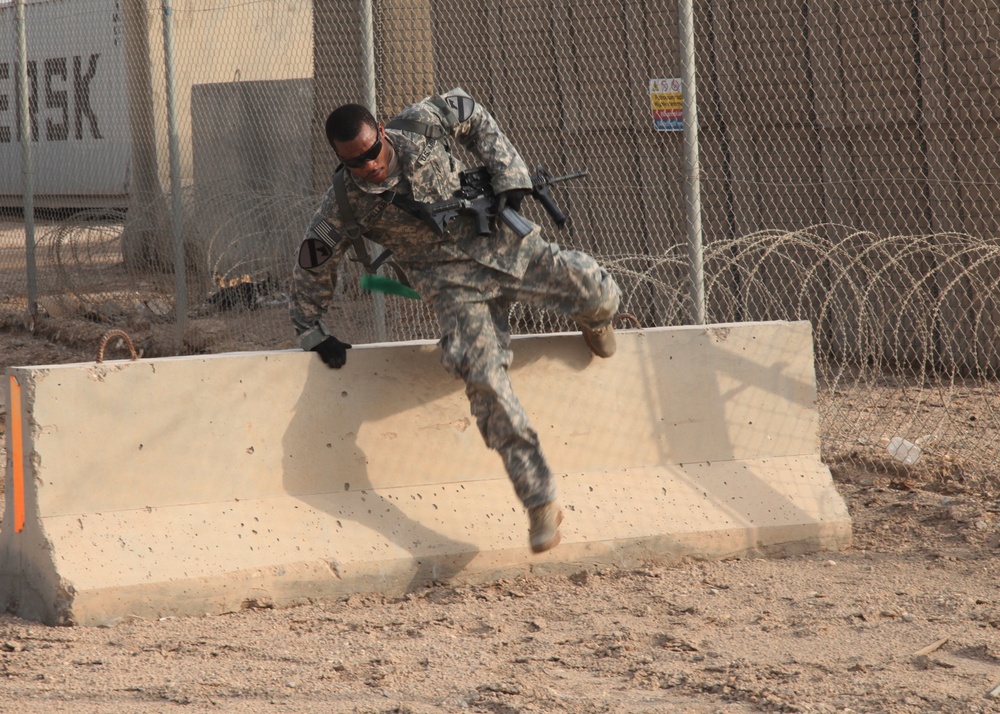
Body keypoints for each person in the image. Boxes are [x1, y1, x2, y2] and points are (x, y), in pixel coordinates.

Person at [289, 87, 621, 554]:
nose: (369, 166)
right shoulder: (344, 203)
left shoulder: (420, 125)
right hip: (450, 287)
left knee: (598, 291)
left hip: (506, 245)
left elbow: (472, 112)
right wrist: (312, 330)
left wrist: (509, 176)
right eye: (354, 163)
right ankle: (540, 501)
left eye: (371, 152)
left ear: (381, 132)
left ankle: (597, 319)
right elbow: (313, 260)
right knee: (483, 378)